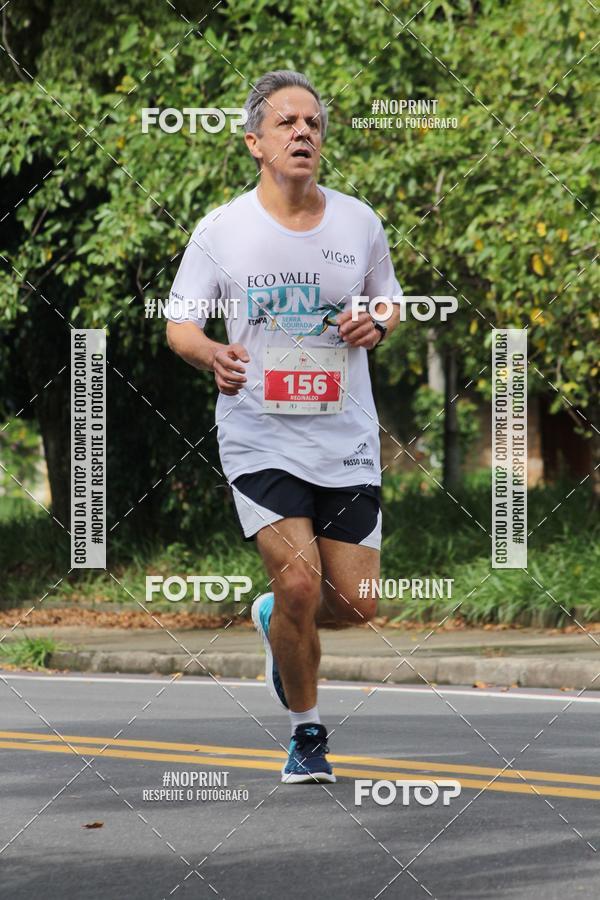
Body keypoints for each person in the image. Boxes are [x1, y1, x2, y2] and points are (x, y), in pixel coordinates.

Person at [166, 70, 402, 784]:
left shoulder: (359, 222)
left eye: (314, 124)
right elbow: (180, 322)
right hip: (259, 432)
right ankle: (307, 733)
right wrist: (210, 352)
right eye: (287, 124)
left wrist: (377, 322)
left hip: (347, 435)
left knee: (358, 604)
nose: (304, 133)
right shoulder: (222, 229)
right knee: (302, 585)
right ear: (254, 143)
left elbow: (389, 301)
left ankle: (274, 617)